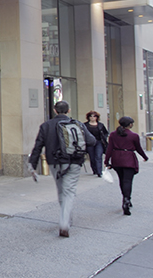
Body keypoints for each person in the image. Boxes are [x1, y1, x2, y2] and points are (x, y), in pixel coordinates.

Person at [28, 100, 96, 237]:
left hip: (55, 162)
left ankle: (67, 218)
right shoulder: (77, 124)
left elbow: (38, 146)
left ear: (55, 110)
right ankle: (65, 222)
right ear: (68, 110)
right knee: (69, 191)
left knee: (61, 189)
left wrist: (32, 165)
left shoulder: (46, 126)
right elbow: (92, 141)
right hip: (74, 161)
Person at [104, 116, 148, 216]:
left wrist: (106, 161)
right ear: (130, 125)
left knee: (121, 180)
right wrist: (145, 157)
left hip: (117, 158)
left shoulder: (113, 134)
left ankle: (125, 197)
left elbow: (109, 148)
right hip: (128, 158)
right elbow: (138, 148)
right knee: (128, 181)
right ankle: (127, 200)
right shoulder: (134, 136)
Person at [84, 111, 109, 177]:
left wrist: (104, 138)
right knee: (92, 157)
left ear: (97, 117)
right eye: (91, 116)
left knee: (98, 156)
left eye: (94, 116)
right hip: (90, 143)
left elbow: (106, 133)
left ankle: (99, 171)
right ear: (88, 117)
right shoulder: (85, 125)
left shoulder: (100, 125)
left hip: (99, 142)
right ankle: (95, 170)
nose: (92, 117)